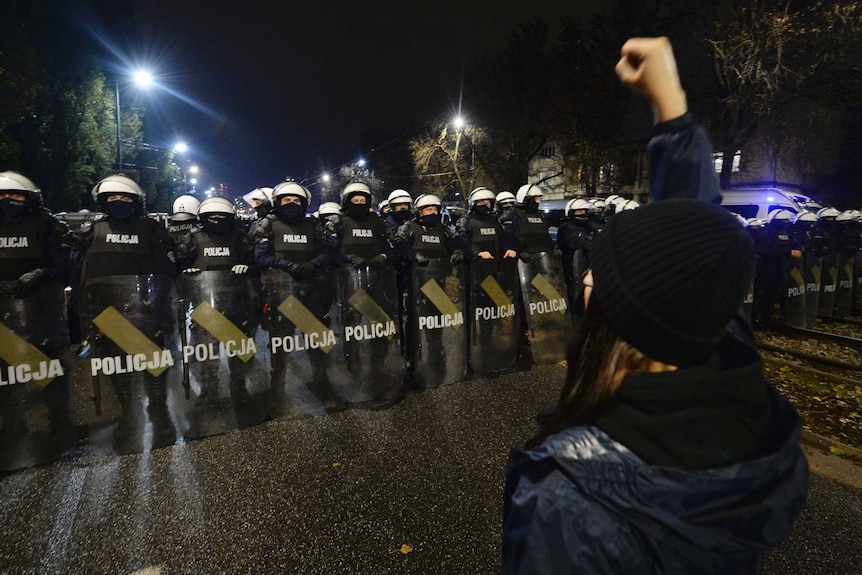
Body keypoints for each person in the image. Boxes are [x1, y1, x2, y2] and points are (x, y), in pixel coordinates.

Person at [503, 37, 807, 574]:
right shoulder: (729, 381)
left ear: (627, 320)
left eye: (603, 274)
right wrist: (670, 106)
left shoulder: (573, 498)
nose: (588, 277)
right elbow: (694, 240)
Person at [71, 174, 178, 452]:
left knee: (154, 367)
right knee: (118, 370)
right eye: (112, 198)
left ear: (136, 201)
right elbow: (78, 276)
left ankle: (159, 411)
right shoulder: (91, 231)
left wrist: (157, 307)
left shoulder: (152, 230)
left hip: (145, 312)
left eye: (125, 197)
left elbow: (165, 273)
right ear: (103, 201)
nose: (118, 201)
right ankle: (130, 415)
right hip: (108, 318)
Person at [0, 171, 74, 456]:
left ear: (29, 199)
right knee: (7, 377)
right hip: (4, 320)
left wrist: (41, 275)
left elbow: (66, 267)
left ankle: (60, 428)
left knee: (52, 372)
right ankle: (14, 428)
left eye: (15, 195)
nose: (8, 201)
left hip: (43, 315)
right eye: (3, 196)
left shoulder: (48, 226)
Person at [556, 198, 595, 306]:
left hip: (587, 265)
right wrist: (592, 246)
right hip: (571, 266)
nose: (582, 214)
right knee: (573, 293)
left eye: (584, 211)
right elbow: (576, 242)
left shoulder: (588, 226)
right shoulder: (566, 227)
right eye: (579, 211)